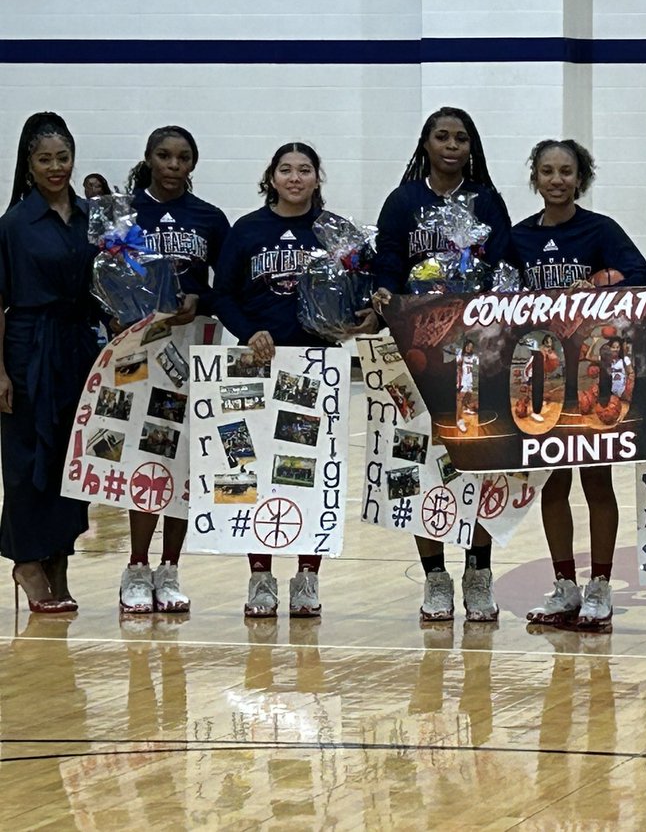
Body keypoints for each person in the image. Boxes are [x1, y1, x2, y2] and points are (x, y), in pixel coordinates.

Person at [213, 142, 376, 619]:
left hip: (316, 366)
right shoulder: (248, 230)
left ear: (317, 178)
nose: (295, 178)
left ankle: (307, 577)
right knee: (252, 469)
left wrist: (354, 319)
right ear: (272, 176)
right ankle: (260, 576)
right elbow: (223, 294)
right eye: (286, 170)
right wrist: (248, 332)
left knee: (307, 472)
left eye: (304, 170)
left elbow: (359, 292)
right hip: (259, 365)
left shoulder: (335, 232)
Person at [498, 139, 646, 631]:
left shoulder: (600, 230)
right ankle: (565, 586)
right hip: (539, 376)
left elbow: (642, 276)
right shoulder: (517, 238)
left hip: (594, 376)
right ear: (535, 178)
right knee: (554, 482)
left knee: (597, 482)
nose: (557, 180)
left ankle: (600, 587)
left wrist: (600, 282)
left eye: (566, 171)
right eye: (547, 171)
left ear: (580, 179)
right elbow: (495, 297)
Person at [371, 107, 511, 623]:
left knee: (478, 461)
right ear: (425, 143)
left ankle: (479, 574)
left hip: (477, 348)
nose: (451, 145)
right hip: (418, 346)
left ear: (471, 147)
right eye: (442, 136)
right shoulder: (403, 200)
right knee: (421, 463)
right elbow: (386, 262)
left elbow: (503, 267)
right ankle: (434, 579)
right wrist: (384, 292)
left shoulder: (487, 201)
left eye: (461, 138)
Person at [118, 125, 230, 615]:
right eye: (164, 156)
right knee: (146, 453)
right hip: (141, 346)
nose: (173, 165)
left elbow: (227, 286)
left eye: (183, 157)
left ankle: (170, 569)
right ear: (148, 158)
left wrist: (198, 298)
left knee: (182, 456)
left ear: (193, 163)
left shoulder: (208, 218)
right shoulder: (124, 214)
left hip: (192, 345)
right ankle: (136, 567)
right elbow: (105, 275)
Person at [0, 112, 103, 612]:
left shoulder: (93, 218)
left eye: (63, 158)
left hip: (78, 347)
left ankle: (59, 557)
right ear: (28, 163)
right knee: (25, 460)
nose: (56, 167)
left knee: (70, 459)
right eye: (45, 159)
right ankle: (26, 562)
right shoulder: (14, 224)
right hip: (26, 347)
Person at [455, 338, 479, 433]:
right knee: (460, 398)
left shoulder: (473, 357)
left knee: (469, 396)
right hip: (463, 380)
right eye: (468, 346)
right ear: (464, 346)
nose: (469, 348)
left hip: (470, 380)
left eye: (471, 347)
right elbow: (458, 368)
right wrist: (459, 381)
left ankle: (465, 408)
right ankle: (459, 420)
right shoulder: (460, 355)